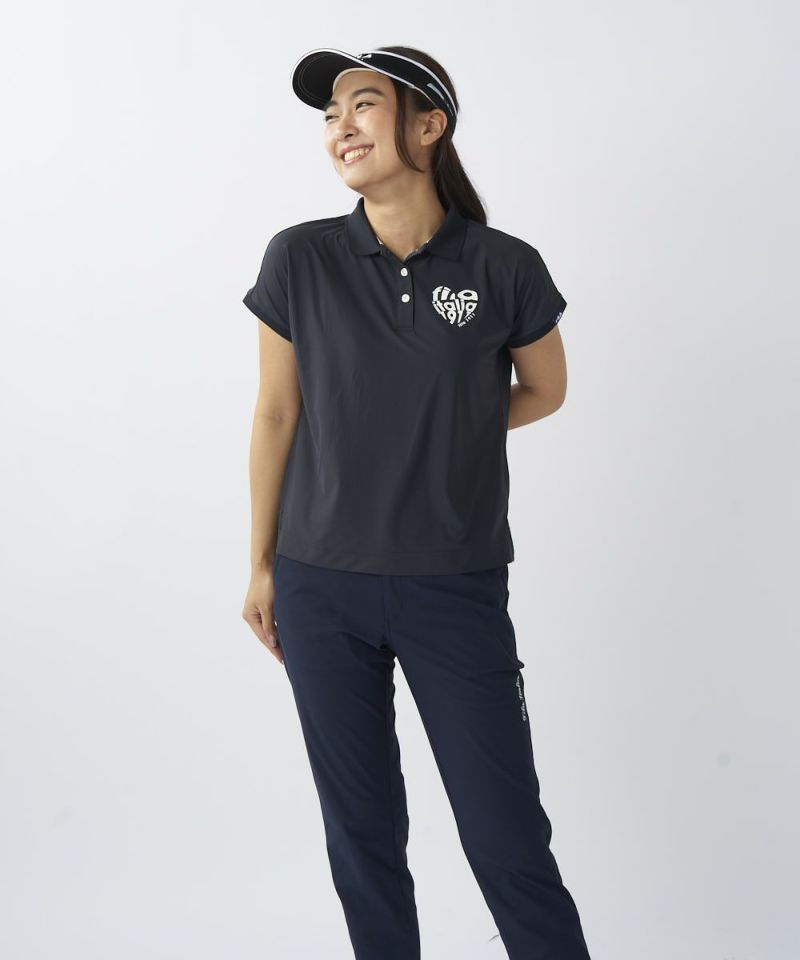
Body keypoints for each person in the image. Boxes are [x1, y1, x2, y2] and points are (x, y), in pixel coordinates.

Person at [241, 45, 591, 960]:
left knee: (506, 836)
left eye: (363, 105)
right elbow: (277, 413)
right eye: (330, 116)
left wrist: (448, 429)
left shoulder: (504, 266)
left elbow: (545, 389)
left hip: (453, 584)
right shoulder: (300, 258)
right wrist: (262, 565)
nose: (340, 128)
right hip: (320, 584)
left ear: (429, 125)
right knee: (362, 838)